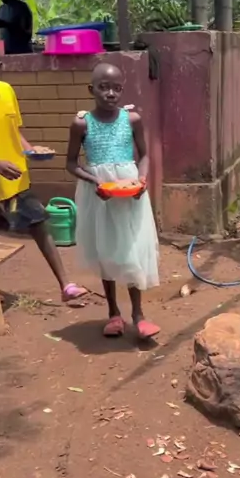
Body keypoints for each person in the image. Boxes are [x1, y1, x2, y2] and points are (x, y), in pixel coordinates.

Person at [0, 41, 87, 303]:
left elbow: (13, 130)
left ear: (0, 67)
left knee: (38, 224)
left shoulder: (6, 91)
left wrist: (30, 150)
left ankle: (66, 285)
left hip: (15, 179)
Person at [66, 62, 160, 339]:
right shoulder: (81, 123)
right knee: (105, 249)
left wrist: (141, 179)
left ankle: (138, 315)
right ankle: (113, 313)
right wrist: (94, 181)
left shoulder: (132, 119)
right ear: (91, 89)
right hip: (99, 196)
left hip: (130, 193)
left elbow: (144, 155)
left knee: (132, 248)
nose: (110, 93)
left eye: (116, 88)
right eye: (104, 87)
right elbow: (71, 163)